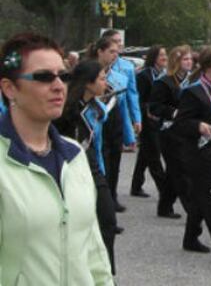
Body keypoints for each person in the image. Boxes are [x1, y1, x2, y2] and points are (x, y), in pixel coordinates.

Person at [0, 32, 113, 284]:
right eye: (43, 77)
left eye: (63, 76)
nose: (58, 85)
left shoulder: (74, 155)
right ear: (9, 88)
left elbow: (93, 248)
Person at [171, 47, 211, 261]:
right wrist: (198, 125)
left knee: (201, 197)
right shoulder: (192, 91)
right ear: (207, 65)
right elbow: (181, 123)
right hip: (198, 151)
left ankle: (190, 238)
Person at [55, 60, 118, 273]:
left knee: (108, 222)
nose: (105, 82)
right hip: (69, 172)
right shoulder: (64, 112)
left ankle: (108, 273)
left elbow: (96, 143)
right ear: (88, 83)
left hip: (93, 170)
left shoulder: (96, 108)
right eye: (101, 78)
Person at [88, 36, 136, 216]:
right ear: (100, 52)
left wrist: (129, 133)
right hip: (96, 122)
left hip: (114, 122)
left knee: (115, 163)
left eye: (117, 52)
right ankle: (101, 205)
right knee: (101, 165)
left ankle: (112, 199)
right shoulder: (88, 73)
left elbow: (124, 106)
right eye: (111, 51)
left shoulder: (119, 77)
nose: (115, 55)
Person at [149, 45, 193, 219]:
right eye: (185, 59)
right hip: (169, 131)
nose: (189, 62)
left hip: (187, 131)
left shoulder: (192, 81)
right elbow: (154, 106)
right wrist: (173, 112)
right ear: (177, 61)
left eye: (190, 59)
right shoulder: (164, 81)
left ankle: (164, 206)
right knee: (181, 170)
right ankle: (193, 210)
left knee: (173, 172)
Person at [131, 45, 168, 199]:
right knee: (154, 155)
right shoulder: (144, 76)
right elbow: (138, 99)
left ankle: (136, 185)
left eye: (165, 55)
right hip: (147, 120)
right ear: (154, 58)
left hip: (160, 120)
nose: (164, 58)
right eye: (161, 55)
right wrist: (148, 109)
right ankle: (165, 189)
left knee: (145, 155)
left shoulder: (164, 75)